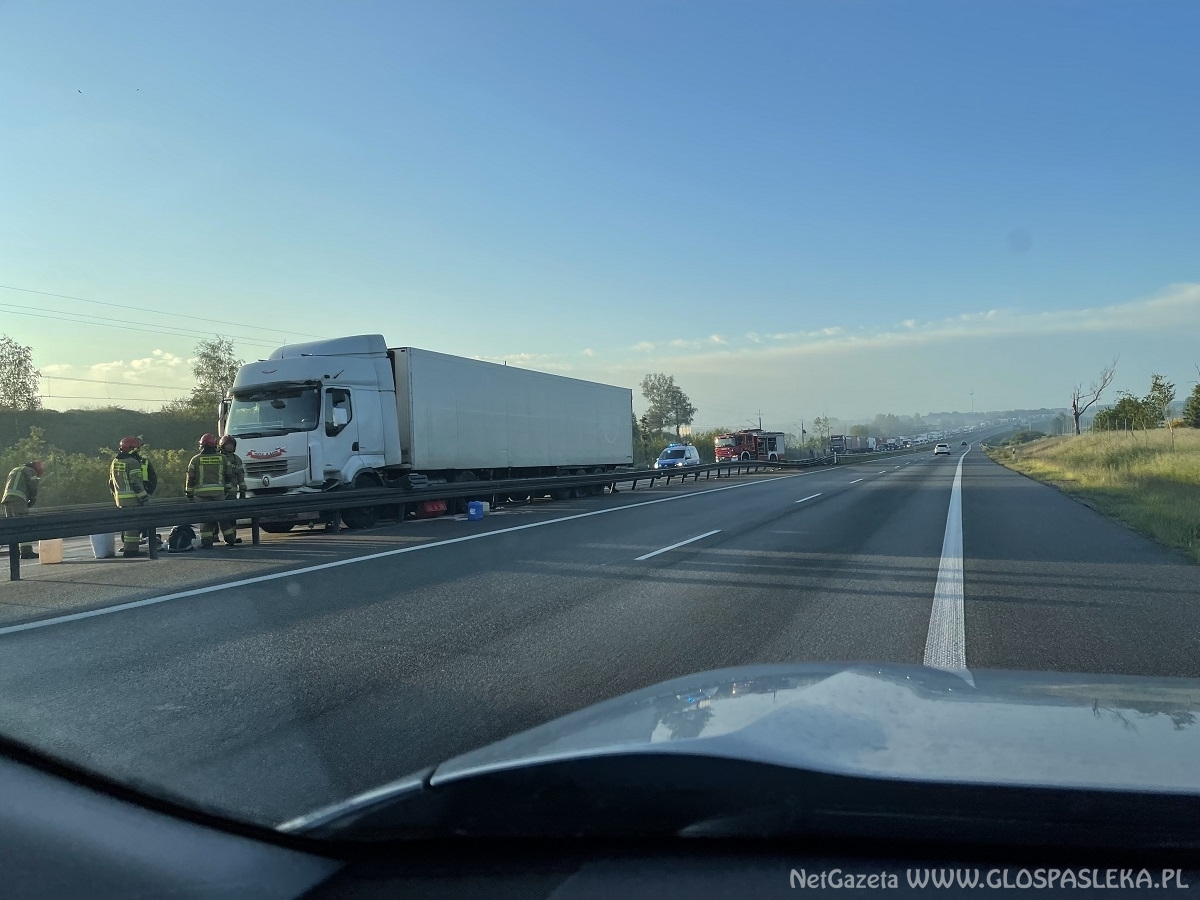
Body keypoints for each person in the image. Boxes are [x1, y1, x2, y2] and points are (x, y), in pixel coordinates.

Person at [185, 433, 229, 549]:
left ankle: (207, 542)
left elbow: (190, 478)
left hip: (202, 496)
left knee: (206, 520)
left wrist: (189, 493)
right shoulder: (223, 458)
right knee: (224, 518)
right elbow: (229, 475)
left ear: (202, 445)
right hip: (219, 495)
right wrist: (228, 490)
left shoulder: (195, 460)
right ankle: (230, 539)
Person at [110, 437, 150, 557]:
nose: (139, 450)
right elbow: (135, 483)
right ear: (132, 449)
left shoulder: (115, 461)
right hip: (132, 500)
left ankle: (128, 547)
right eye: (138, 448)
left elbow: (111, 482)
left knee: (126, 525)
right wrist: (144, 497)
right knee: (133, 526)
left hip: (120, 500)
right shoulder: (132, 462)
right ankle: (131, 550)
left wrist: (116, 496)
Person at [2, 460, 44, 560]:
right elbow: (32, 486)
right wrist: (32, 497)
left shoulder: (16, 469)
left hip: (7, 500)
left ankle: (15, 550)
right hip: (18, 499)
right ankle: (26, 551)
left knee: (13, 527)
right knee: (24, 524)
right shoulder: (30, 471)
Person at [218, 434, 246, 545]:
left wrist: (243, 490)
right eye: (227, 445)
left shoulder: (237, 459)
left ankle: (233, 536)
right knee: (219, 515)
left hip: (232, 493)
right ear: (222, 446)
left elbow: (241, 476)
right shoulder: (219, 458)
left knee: (232, 516)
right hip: (220, 493)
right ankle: (216, 536)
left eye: (231, 445)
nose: (230, 447)